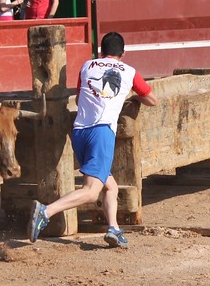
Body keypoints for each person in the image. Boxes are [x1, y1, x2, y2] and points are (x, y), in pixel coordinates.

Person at [27, 32, 158, 248]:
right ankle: (46, 211)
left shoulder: (87, 66)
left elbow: (79, 99)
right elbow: (153, 99)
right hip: (102, 133)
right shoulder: (129, 72)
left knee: (110, 186)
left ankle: (113, 228)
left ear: (101, 52)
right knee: (90, 192)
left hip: (80, 132)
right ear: (122, 54)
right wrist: (133, 96)